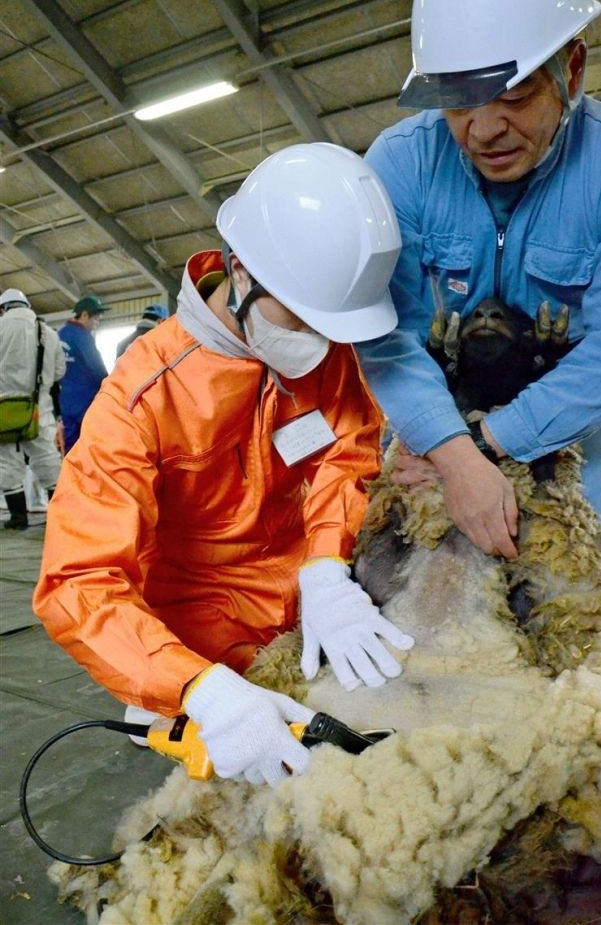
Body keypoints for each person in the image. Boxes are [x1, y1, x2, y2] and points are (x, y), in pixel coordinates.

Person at [33, 143, 415, 787]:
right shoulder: (140, 397)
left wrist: (326, 567)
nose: (320, 342)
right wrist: (198, 688)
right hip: (200, 630)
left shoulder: (327, 354)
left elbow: (347, 451)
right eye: (304, 318)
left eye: (332, 326)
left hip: (315, 603)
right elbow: (79, 580)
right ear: (241, 272)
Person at [358, 0, 601, 673]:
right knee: (419, 632)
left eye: (515, 95)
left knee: (577, 629)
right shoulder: (398, 164)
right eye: (457, 101)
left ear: (572, 70)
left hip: (567, 459)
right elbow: (387, 332)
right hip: (429, 448)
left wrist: (491, 447)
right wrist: (452, 453)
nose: (484, 129)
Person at [0, 288, 66, 530]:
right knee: (47, 459)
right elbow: (60, 372)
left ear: (3, 309)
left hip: (3, 410)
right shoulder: (48, 333)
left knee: (6, 461)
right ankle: (59, 518)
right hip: (39, 409)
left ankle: (18, 518)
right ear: (27, 306)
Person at [58, 295, 110, 453]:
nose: (97, 323)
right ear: (85, 315)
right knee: (89, 450)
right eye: (96, 319)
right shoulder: (83, 337)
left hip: (65, 404)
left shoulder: (60, 334)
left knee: (70, 450)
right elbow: (97, 369)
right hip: (86, 405)